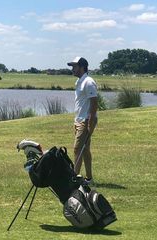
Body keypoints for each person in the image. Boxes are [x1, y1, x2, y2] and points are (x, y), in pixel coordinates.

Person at [67, 57, 98, 185]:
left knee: (77, 149)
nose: (72, 69)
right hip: (78, 120)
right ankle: (89, 178)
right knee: (85, 150)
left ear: (82, 67)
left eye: (74, 66)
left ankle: (74, 178)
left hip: (85, 120)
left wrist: (90, 123)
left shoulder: (88, 82)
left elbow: (94, 104)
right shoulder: (79, 81)